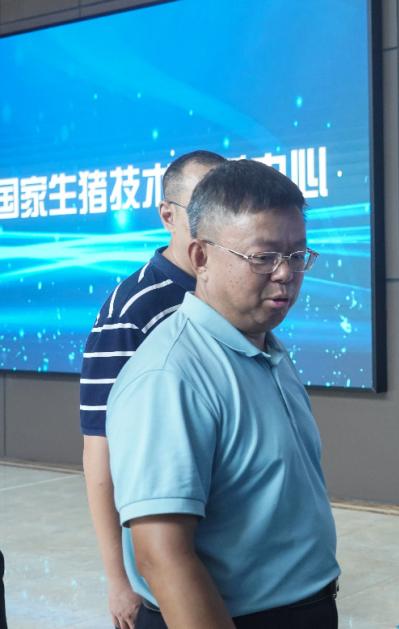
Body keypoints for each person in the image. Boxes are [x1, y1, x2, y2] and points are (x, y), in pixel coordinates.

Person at [106, 160, 339, 628]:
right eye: (263, 257)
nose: (285, 273)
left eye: (297, 255)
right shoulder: (169, 376)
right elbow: (162, 557)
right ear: (200, 257)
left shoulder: (266, 348)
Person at [79, 149, 225, 629]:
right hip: (166, 561)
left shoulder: (228, 294)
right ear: (167, 215)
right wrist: (118, 579)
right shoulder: (133, 310)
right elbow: (99, 449)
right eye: (201, 207)